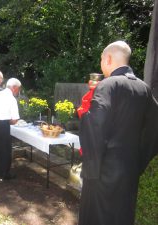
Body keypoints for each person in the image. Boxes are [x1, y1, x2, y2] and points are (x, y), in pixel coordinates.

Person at [78, 41, 158, 225]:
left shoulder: (108, 85)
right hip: (129, 171)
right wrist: (139, 161)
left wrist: (91, 166)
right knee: (121, 216)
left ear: (107, 59)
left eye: (101, 59)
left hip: (102, 171)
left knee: (97, 218)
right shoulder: (144, 89)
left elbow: (95, 123)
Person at [0, 78, 21, 181]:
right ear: (14, 88)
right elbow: (15, 120)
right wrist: (8, 121)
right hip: (2, 125)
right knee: (5, 150)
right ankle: (4, 174)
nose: (18, 91)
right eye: (18, 89)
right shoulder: (11, 99)